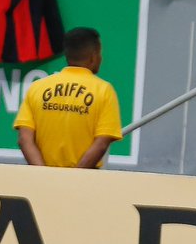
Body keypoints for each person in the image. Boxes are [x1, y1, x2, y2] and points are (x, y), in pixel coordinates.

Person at [14, 27, 123, 169]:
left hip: (42, 182)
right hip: (83, 182)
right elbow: (101, 144)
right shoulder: (103, 90)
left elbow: (24, 140)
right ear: (94, 55)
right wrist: (72, 178)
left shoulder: (37, 87)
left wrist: (43, 175)